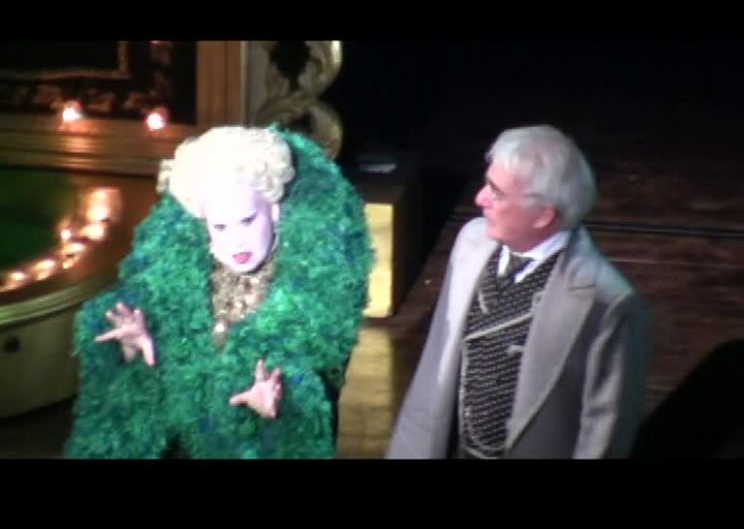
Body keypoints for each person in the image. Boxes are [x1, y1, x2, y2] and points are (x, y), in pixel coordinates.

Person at [65, 125, 372, 459]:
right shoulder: (179, 278)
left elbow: (317, 390)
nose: (236, 241)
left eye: (247, 221)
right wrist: (139, 348)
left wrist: (275, 407)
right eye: (221, 227)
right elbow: (166, 391)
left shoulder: (308, 288)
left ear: (273, 211)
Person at [387, 125, 647, 459]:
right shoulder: (471, 242)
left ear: (543, 216)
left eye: (497, 193)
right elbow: (435, 368)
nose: (479, 199)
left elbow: (604, 432)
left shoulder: (605, 300)